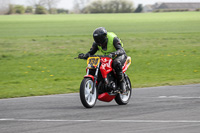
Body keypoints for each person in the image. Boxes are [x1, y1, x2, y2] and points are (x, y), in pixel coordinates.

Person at [78, 27, 127, 93]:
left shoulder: (113, 39)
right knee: (99, 65)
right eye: (98, 43)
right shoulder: (96, 43)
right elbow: (91, 52)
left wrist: (114, 53)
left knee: (116, 63)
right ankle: (102, 83)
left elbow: (121, 50)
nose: (100, 45)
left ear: (105, 38)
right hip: (107, 57)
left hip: (119, 55)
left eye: (101, 42)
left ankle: (122, 83)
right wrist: (85, 55)